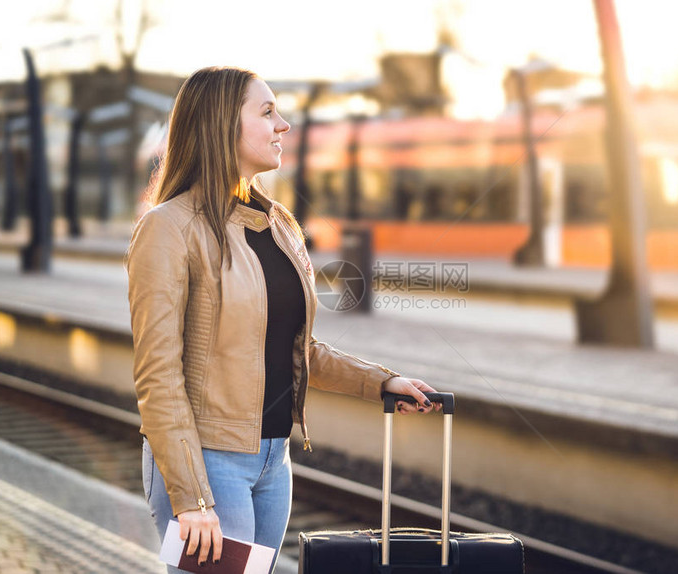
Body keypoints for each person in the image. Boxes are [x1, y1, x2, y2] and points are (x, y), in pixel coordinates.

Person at [125, 66, 441, 574]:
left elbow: (299, 348)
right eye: (268, 111)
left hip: (274, 461)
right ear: (222, 123)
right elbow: (157, 376)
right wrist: (191, 497)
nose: (284, 125)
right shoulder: (168, 229)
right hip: (207, 460)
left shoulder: (277, 224)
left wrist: (382, 382)